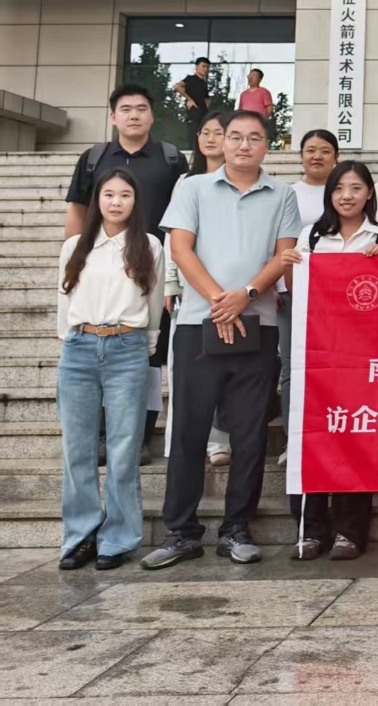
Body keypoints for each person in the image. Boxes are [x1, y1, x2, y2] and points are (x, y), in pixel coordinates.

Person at [141, 110, 300, 570]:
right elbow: (180, 248)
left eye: (255, 137)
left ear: (267, 145)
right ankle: (181, 532)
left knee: (249, 434)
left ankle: (237, 529)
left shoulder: (283, 194)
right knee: (189, 431)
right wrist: (219, 301)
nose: (244, 145)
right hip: (197, 324)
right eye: (236, 137)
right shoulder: (192, 188)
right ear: (222, 142)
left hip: (258, 324)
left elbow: (284, 255)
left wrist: (245, 295)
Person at [65, 84, 188, 467]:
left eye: (141, 108)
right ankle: (101, 435)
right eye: (126, 109)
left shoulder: (171, 159)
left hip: (150, 270)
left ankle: (139, 436)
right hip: (100, 270)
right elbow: (77, 210)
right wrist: (76, 260)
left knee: (148, 362)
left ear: (152, 115)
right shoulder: (93, 158)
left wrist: (174, 276)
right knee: (97, 359)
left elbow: (185, 216)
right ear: (113, 116)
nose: (134, 115)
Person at [282, 160, 378, 562]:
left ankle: (350, 531)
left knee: (354, 438)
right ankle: (310, 530)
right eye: (338, 189)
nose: (347, 196)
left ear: (370, 193)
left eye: (355, 188)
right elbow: (296, 292)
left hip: (364, 356)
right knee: (312, 436)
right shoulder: (312, 235)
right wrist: (291, 267)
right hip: (316, 352)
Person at [55, 168, 164, 571]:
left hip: (127, 348)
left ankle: (117, 540)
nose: (116, 202)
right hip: (79, 349)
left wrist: (144, 346)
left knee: (122, 449)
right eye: (108, 194)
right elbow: (64, 299)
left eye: (125, 195)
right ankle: (81, 537)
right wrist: (71, 341)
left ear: (135, 202)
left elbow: (154, 303)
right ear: (97, 200)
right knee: (78, 450)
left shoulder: (149, 245)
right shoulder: (75, 246)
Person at [163, 112, 234, 467]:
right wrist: (170, 281)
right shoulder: (186, 182)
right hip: (190, 290)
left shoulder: (244, 182)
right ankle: (183, 442)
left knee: (226, 369)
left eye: (218, 133)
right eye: (205, 132)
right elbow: (173, 239)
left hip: (232, 292)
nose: (210, 139)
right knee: (186, 371)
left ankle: (219, 441)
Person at [277, 129, 340, 465]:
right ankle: (294, 440)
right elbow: (277, 243)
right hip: (293, 294)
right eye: (311, 150)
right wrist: (278, 286)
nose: (317, 156)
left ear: (336, 158)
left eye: (325, 150)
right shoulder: (287, 194)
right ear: (300, 155)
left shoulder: (343, 192)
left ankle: (334, 436)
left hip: (336, 299)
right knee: (292, 368)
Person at [173, 56, 213, 148]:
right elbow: (177, 86)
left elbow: (207, 98)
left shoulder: (203, 83)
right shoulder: (191, 79)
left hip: (203, 113)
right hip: (194, 112)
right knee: (193, 134)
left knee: (202, 133)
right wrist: (189, 99)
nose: (205, 69)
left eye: (207, 67)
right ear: (197, 67)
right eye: (203, 66)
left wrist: (207, 107)